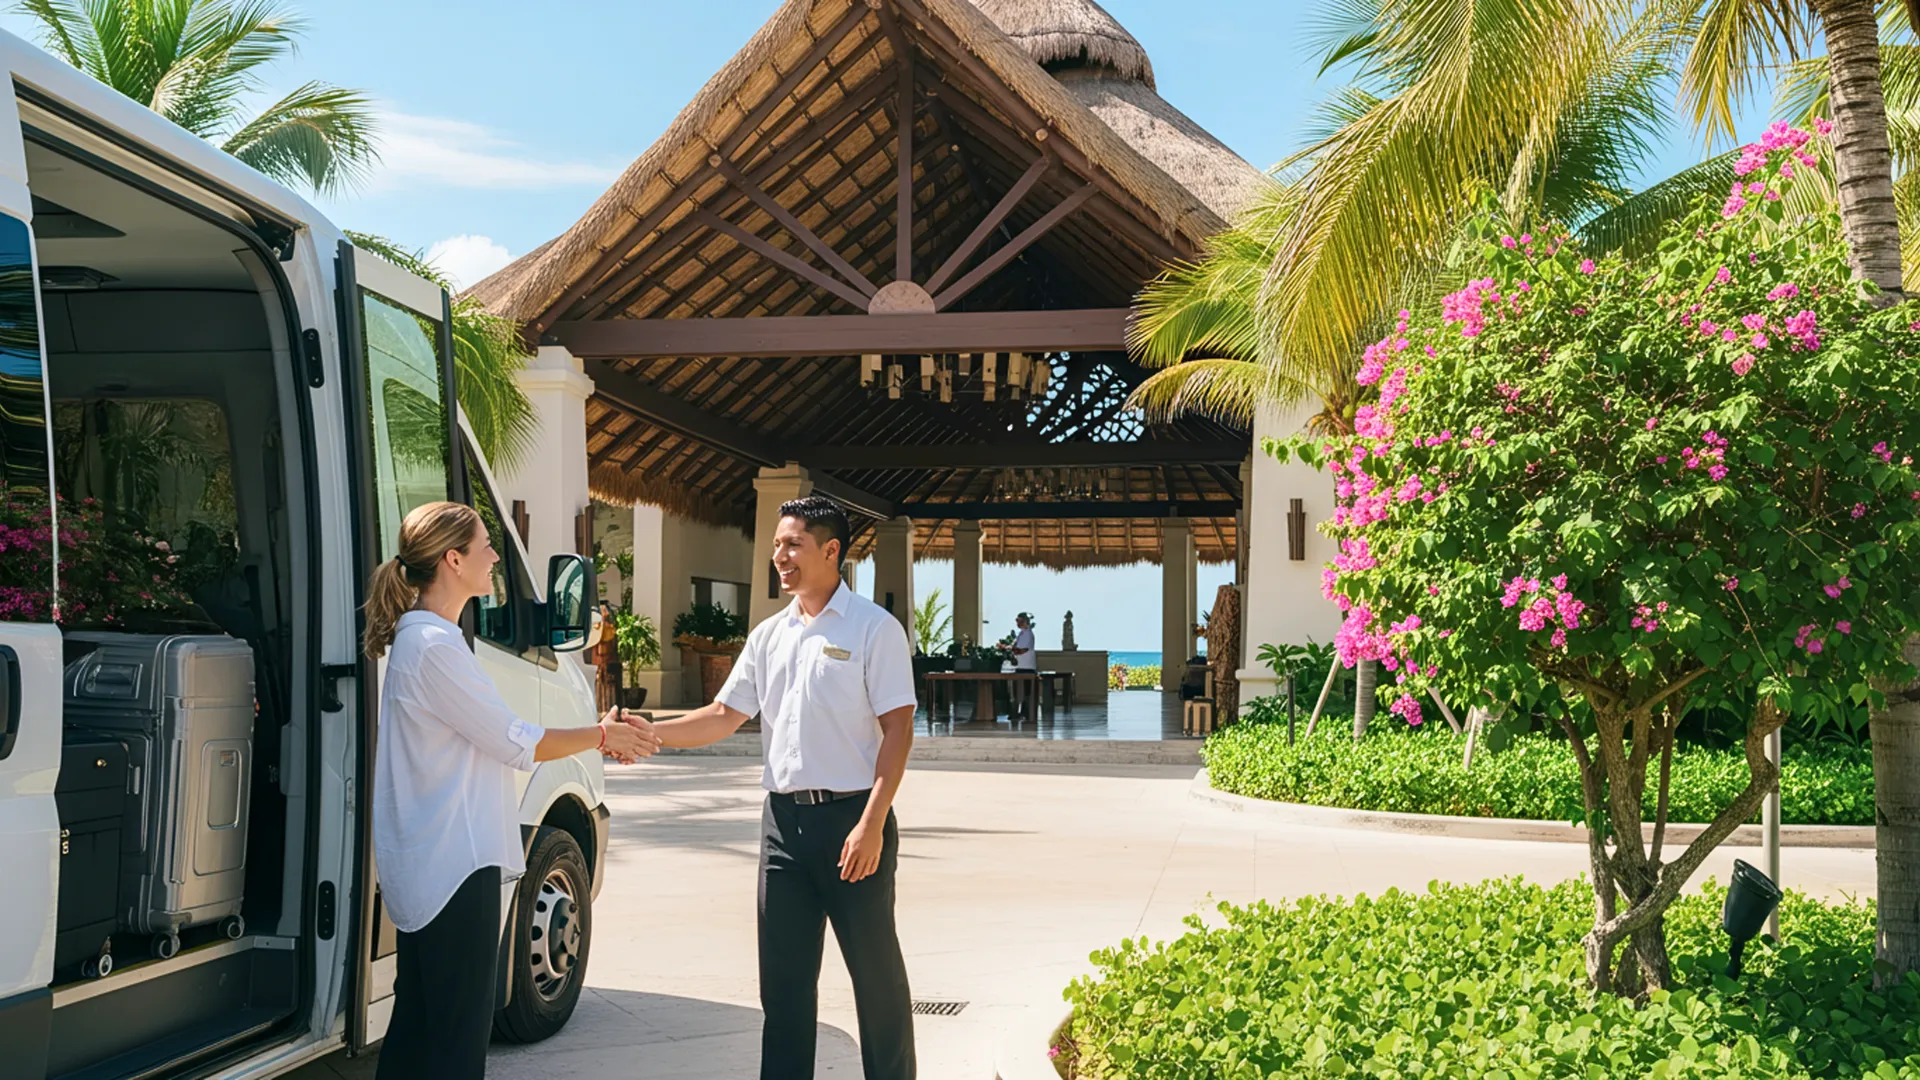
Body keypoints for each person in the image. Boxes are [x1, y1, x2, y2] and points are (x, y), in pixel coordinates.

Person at [362, 501, 659, 1080]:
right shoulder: (435, 648)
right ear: (452, 560)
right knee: (452, 1046)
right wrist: (602, 733)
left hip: (438, 864)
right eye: (484, 546)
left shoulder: (427, 641)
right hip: (453, 869)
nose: (496, 556)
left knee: (421, 1032)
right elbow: (513, 740)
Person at [647, 495, 918, 1080]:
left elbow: (899, 728)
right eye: (776, 545)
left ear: (831, 551)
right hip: (783, 831)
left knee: (877, 984)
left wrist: (872, 823)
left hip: (854, 823)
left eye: (792, 544)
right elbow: (723, 715)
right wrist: (650, 734)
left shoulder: (875, 629)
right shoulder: (769, 635)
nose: (780, 556)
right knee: (785, 991)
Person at [1010, 612, 1037, 717]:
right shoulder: (1020, 634)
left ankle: (1026, 711)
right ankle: (1016, 710)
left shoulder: (1028, 634)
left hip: (1027, 666)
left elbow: (1023, 649)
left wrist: (1014, 651)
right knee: (1017, 690)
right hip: (1019, 665)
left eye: (1020, 621)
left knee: (1027, 691)